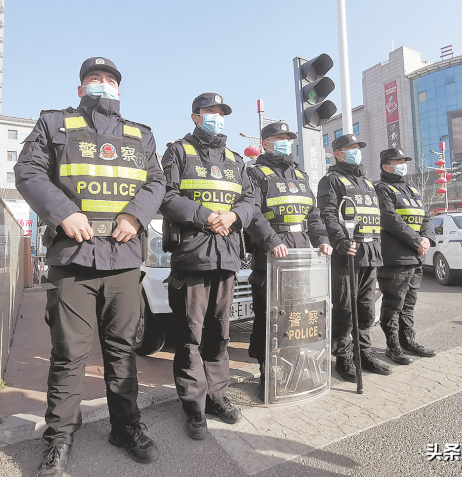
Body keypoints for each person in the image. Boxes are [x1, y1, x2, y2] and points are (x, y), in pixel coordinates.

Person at [15, 57, 165, 474]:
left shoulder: (141, 135)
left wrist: (135, 215)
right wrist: (63, 212)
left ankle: (126, 426)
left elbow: (157, 182)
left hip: (122, 259)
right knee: (69, 355)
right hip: (74, 257)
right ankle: (59, 438)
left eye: (110, 80)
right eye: (95, 80)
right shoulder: (55, 124)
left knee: (121, 351)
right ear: (81, 88)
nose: (104, 85)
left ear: (120, 88)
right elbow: (28, 171)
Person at [160, 93, 256, 440]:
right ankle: (193, 406)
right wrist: (206, 217)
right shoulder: (178, 152)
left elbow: (250, 200)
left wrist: (232, 215)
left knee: (220, 332)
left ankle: (217, 396)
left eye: (221, 113)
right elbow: (166, 195)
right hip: (193, 255)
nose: (217, 117)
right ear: (195, 117)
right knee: (190, 335)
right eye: (210, 112)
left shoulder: (234, 158)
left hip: (228, 254)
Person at [244, 121, 332, 400]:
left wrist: (322, 240)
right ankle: (266, 372)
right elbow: (253, 213)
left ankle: (293, 365)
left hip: (301, 251)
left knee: (297, 313)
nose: (285, 142)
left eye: (288, 138)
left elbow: (313, 215)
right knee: (269, 315)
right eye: (279, 138)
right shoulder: (255, 173)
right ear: (266, 142)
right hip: (271, 253)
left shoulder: (300, 175)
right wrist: (271, 241)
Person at [317, 134, 392, 383]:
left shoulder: (368, 183)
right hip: (348, 253)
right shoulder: (331, 181)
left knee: (366, 309)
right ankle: (343, 357)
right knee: (345, 309)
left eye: (358, 147)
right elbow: (327, 213)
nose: (356, 151)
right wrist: (339, 240)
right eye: (351, 148)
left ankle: (364, 353)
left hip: (371, 252)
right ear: (338, 153)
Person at [375, 148, 437, 365]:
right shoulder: (381, 189)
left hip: (415, 256)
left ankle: (408, 341)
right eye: (398, 161)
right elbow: (390, 219)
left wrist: (427, 238)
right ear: (386, 166)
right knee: (394, 303)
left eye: (404, 161)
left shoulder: (410, 189)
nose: (402, 164)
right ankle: (393, 346)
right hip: (395, 257)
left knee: (409, 303)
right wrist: (416, 240)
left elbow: (426, 216)